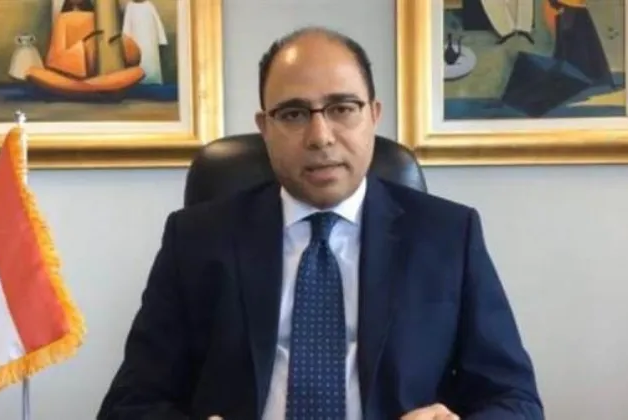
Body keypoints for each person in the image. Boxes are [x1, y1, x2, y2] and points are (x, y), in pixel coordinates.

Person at [97, 27, 544, 420]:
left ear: (373, 114)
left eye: (342, 108)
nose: (320, 136)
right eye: (293, 114)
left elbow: (515, 400)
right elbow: (129, 405)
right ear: (265, 127)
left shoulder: (448, 235)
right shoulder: (196, 239)